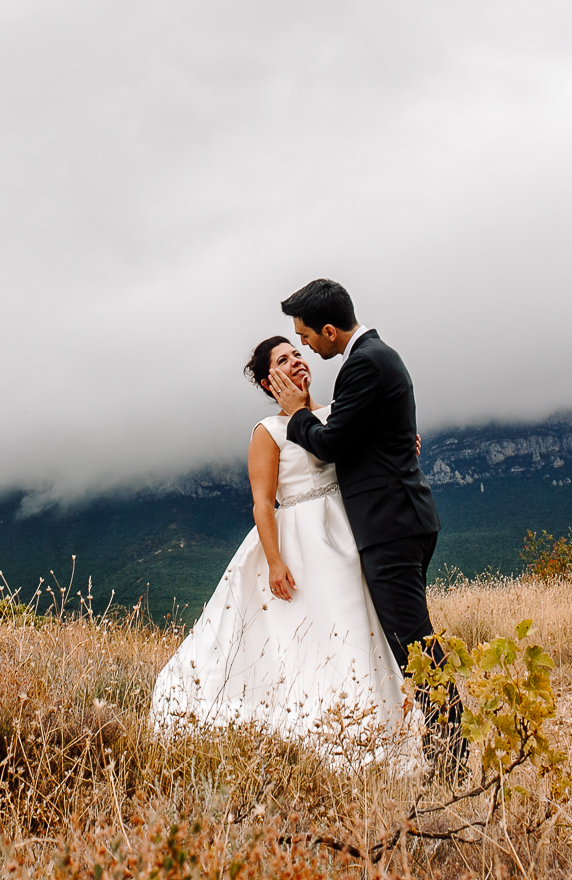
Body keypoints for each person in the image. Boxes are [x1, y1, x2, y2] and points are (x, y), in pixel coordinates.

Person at [148, 336, 423, 771]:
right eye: (282, 360)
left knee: (361, 623)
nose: (296, 361)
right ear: (267, 381)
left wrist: (401, 446)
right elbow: (263, 502)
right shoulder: (268, 431)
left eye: (296, 354)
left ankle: (378, 731)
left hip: (350, 529)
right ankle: (323, 731)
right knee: (314, 629)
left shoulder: (336, 415)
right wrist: (275, 560)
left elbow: (375, 449)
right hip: (298, 537)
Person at [265, 278, 463, 772]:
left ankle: (453, 757)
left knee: (415, 648)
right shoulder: (375, 358)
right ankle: (444, 749)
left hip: (391, 528)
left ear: (329, 331)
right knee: (411, 643)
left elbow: (331, 445)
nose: (305, 346)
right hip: (399, 520)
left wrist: (295, 414)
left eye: (306, 336)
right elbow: (365, 440)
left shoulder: (365, 364)